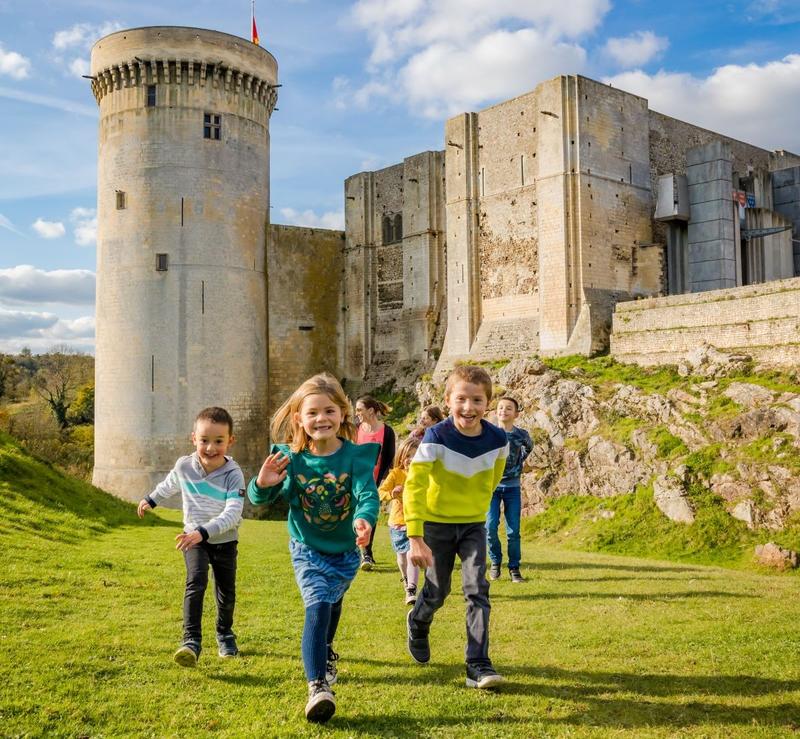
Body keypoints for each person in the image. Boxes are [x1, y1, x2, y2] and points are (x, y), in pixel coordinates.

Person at [247, 373, 379, 724]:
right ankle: (318, 686)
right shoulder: (290, 459)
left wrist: (363, 519)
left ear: (343, 414)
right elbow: (261, 498)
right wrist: (262, 483)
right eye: (313, 413)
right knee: (318, 605)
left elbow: (366, 493)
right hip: (306, 547)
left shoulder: (356, 456)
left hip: (346, 550)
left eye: (329, 411)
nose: (321, 419)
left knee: (333, 603)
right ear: (299, 419)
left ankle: (326, 653)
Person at [404, 365, 509, 689]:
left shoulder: (498, 439)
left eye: (476, 400)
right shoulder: (436, 437)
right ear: (448, 400)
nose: (468, 407)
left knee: (477, 588)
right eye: (461, 399)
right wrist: (415, 536)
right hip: (436, 525)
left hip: (474, 525)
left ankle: (477, 664)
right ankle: (419, 622)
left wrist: (475, 508)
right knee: (437, 591)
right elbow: (415, 486)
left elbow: (493, 480)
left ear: (487, 404)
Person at [137, 407, 245, 667]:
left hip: (223, 540)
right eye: (204, 440)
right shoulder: (184, 465)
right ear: (193, 438)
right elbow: (170, 483)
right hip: (193, 539)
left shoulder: (234, 474)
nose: (210, 447)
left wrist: (202, 532)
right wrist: (150, 499)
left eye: (218, 441)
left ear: (230, 441)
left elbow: (233, 514)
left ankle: (224, 634)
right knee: (195, 583)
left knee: (225, 593)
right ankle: (191, 641)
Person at [487, 397, 533, 583]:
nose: (503, 411)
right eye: (500, 408)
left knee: (513, 531)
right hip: (491, 487)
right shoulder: (488, 433)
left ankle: (514, 568)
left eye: (508, 408)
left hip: (512, 487)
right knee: (489, 528)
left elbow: (528, 448)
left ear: (516, 414)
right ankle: (495, 562)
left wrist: (517, 465)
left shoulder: (521, 434)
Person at [378, 435, 422, 605]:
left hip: (416, 521)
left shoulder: (423, 474)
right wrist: (391, 494)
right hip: (397, 522)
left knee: (412, 555)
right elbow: (381, 492)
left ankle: (411, 589)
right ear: (401, 456)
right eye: (408, 455)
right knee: (402, 557)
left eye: (415, 455)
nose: (410, 459)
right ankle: (405, 579)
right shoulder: (395, 474)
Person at [354, 395, 396, 570]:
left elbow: (389, 458)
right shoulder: (355, 429)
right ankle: (358, 552)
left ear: (371, 411)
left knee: (368, 515)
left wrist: (384, 481)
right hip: (355, 480)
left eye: (359, 410)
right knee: (354, 515)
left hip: (374, 482)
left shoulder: (387, 432)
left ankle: (366, 554)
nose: (356, 413)